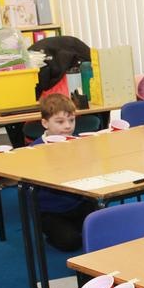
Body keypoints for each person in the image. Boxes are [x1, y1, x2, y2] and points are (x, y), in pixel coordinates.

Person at [30, 94, 96, 251]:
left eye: (71, 120)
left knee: (105, 229)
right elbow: (29, 190)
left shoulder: (78, 143)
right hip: (50, 211)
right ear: (45, 123)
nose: (68, 126)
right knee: (70, 242)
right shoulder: (34, 151)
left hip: (79, 203)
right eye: (60, 122)